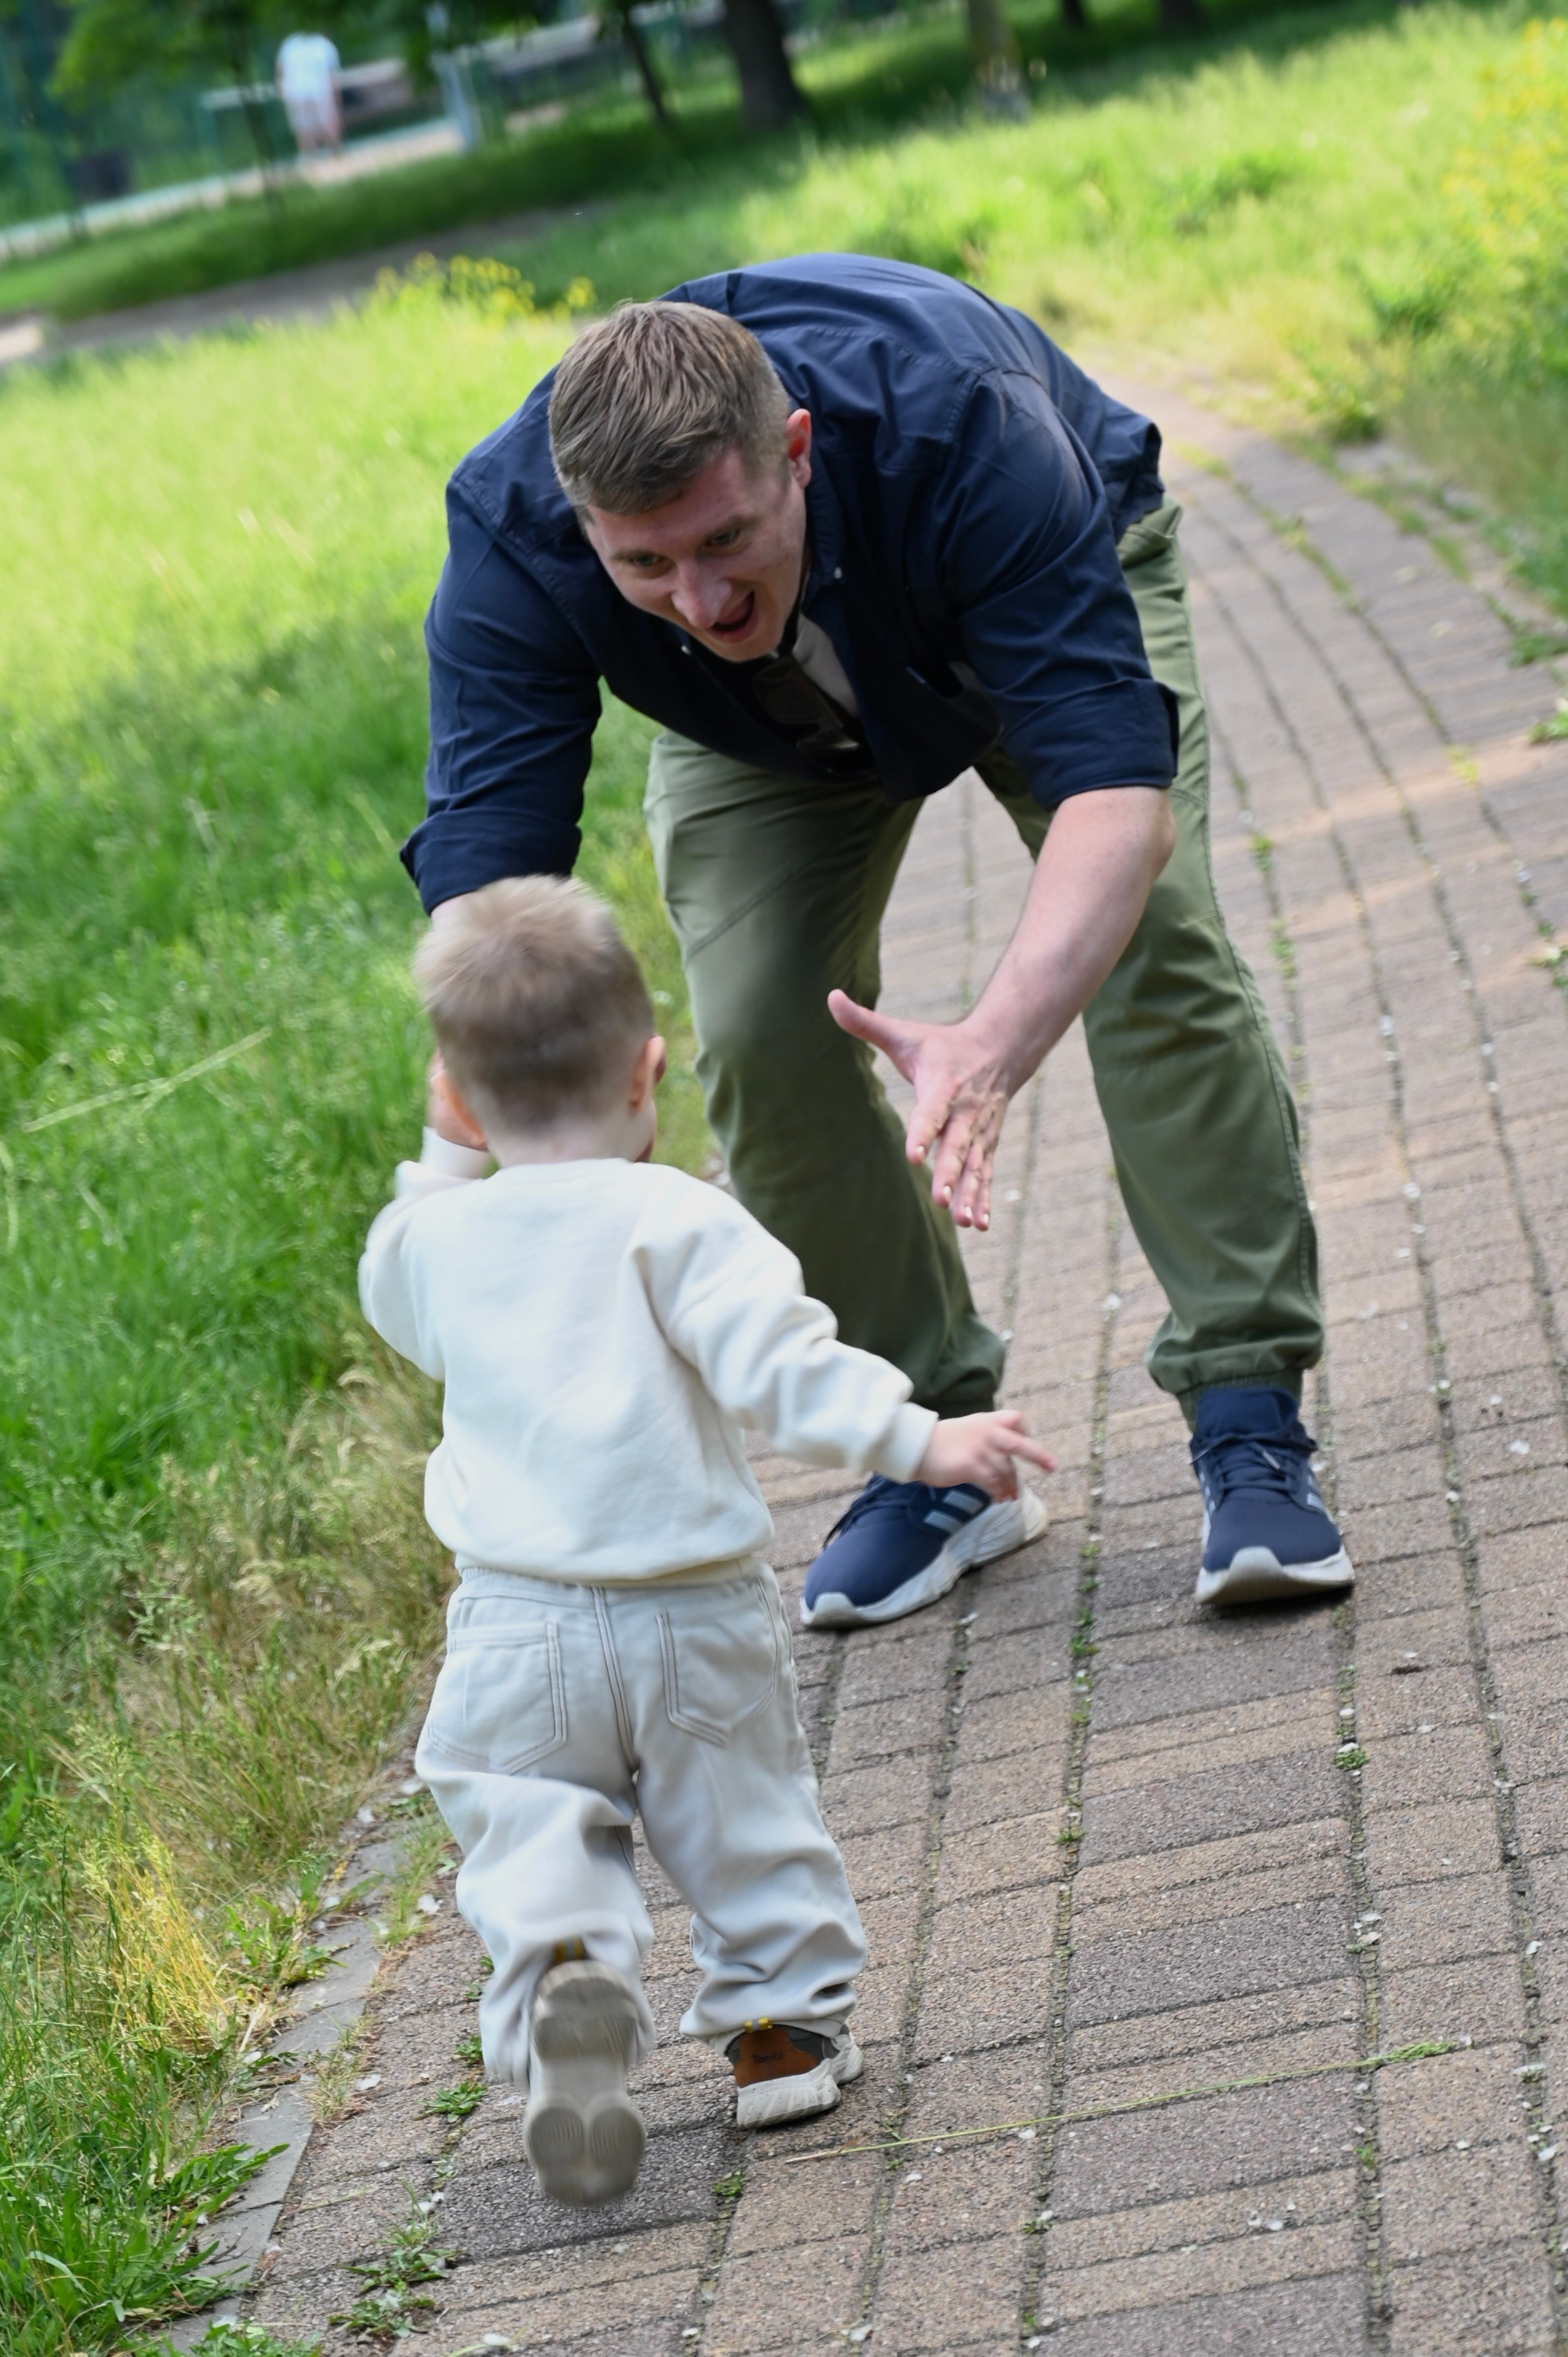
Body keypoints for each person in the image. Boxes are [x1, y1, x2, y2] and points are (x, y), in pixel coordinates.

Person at [406, 255, 1354, 1623]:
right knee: (753, 1017)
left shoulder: (961, 428)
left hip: (1027, 600)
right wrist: (483, 1118)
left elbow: (1113, 797)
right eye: (645, 565)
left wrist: (990, 1042)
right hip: (756, 731)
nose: (700, 600)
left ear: (793, 451)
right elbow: (492, 880)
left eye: (725, 539)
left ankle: (1248, 1412)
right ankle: (936, 1456)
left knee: (1147, 940)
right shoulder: (514, 533)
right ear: (582, 524)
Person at [358, 875, 1054, 2204]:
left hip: (513, 1626)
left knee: (526, 1823)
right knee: (746, 1824)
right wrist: (922, 1441)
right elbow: (788, 1370)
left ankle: (569, 1969)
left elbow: (391, 1273)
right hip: (688, 1613)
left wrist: (447, 1154)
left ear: (456, 1091)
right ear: (651, 1070)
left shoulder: (439, 1241)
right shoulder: (681, 1218)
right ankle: (780, 2035)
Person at [275, 30, 342, 157]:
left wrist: (283, 92)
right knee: (329, 122)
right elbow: (332, 76)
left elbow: (280, 70)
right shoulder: (325, 45)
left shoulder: (290, 44)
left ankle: (310, 158)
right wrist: (337, 100)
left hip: (295, 92)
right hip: (320, 90)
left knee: (303, 128)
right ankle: (335, 154)